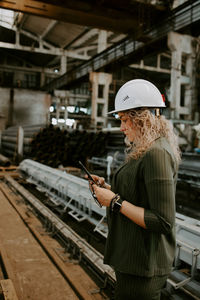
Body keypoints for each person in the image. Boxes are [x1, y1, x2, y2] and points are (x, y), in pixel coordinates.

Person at [89, 79, 181, 300]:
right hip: (133, 259)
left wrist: (114, 202)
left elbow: (162, 220)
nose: (121, 127)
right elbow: (139, 195)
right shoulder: (145, 149)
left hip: (144, 265)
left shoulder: (156, 153)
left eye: (124, 119)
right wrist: (107, 190)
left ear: (142, 118)